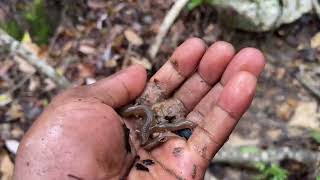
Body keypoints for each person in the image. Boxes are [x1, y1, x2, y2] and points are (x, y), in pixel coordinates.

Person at [13, 38, 265, 180]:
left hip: (152, 126)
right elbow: (151, 131)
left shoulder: (155, 128)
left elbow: (156, 129)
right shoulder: (146, 130)